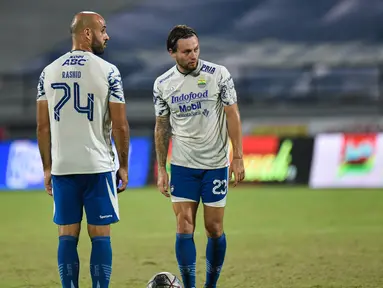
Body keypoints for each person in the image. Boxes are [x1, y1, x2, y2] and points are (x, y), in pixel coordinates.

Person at [36, 11, 129, 288]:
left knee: (67, 234)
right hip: (98, 166)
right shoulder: (109, 71)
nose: (107, 35)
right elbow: (120, 125)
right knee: (100, 235)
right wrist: (123, 165)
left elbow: (42, 128)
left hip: (64, 167)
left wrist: (47, 167)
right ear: (87, 33)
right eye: (103, 30)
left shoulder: (48, 72)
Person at [153, 25, 245, 288]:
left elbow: (232, 114)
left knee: (214, 228)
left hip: (215, 165)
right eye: (186, 52)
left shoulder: (219, 75)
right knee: (184, 226)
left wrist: (237, 156)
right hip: (182, 165)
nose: (193, 56)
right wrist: (162, 168)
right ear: (172, 53)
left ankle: (210, 285)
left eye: (196, 50)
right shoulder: (162, 84)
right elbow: (162, 126)